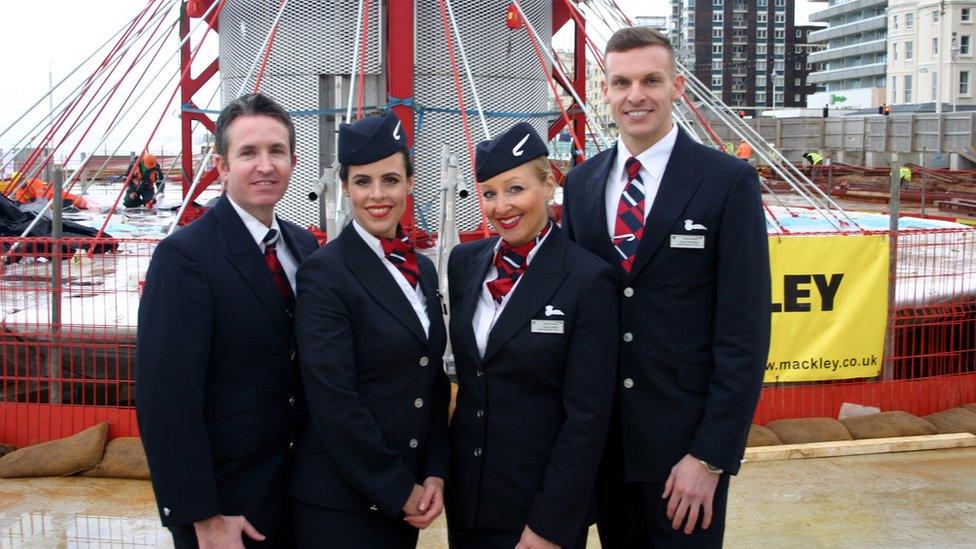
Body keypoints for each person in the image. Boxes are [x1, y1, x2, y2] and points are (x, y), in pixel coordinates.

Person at [560, 27, 770, 548]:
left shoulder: (726, 182)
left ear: (677, 86)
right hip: (604, 451)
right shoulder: (581, 185)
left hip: (685, 458)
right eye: (622, 82)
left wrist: (711, 456)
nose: (636, 96)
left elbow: (744, 332)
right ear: (604, 92)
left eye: (651, 80)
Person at [136, 92, 319, 548]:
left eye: (276, 151)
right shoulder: (185, 257)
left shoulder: (304, 248)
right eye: (248, 153)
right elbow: (166, 399)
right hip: (228, 506)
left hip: (299, 494)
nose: (265, 165)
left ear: (294, 161)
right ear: (221, 165)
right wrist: (203, 516)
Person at [446, 122, 619, 549]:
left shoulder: (587, 279)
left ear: (549, 184)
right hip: (469, 501)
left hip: (539, 511)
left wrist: (551, 523)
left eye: (515, 189)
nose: (501, 206)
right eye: (489, 193)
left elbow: (588, 417)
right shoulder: (465, 263)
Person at [290, 110, 450, 548]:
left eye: (391, 180)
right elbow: (334, 399)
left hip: (403, 498)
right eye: (363, 182)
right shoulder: (325, 273)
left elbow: (430, 376)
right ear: (345, 187)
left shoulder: (422, 270)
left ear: (410, 183)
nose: (378, 195)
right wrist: (400, 489)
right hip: (341, 506)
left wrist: (435, 468)